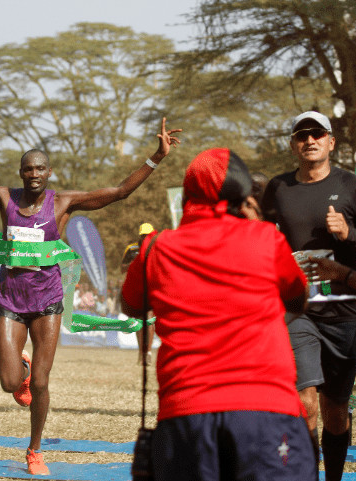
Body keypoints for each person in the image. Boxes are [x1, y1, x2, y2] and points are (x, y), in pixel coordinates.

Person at [0, 114, 181, 475]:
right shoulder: (4, 198)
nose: (34, 174)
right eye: (28, 169)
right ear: (21, 172)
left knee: (42, 381)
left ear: (49, 172)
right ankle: (21, 369)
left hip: (48, 301)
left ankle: (35, 449)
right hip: (11, 300)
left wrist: (157, 156)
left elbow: (120, 192)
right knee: (10, 383)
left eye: (40, 168)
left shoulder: (64, 203)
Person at [121, 148, 315, 480]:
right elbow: (298, 300)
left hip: (186, 413)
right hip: (266, 410)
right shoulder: (267, 238)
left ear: (187, 194)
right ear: (242, 194)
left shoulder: (156, 247)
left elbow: (131, 305)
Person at [261, 111, 356, 480]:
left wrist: (350, 235)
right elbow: (261, 238)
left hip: (343, 311)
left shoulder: (352, 186)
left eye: (317, 134)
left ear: (331, 141)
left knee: (335, 409)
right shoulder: (278, 188)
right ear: (293, 145)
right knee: (306, 403)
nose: (310, 140)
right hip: (297, 312)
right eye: (302, 135)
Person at [120, 222, 157, 365]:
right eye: (143, 235)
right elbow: (122, 268)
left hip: (151, 287)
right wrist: (135, 263)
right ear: (139, 236)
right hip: (135, 288)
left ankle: (148, 353)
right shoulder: (132, 249)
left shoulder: (157, 248)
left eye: (148, 235)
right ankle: (141, 353)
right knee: (138, 322)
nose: (145, 238)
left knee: (149, 318)